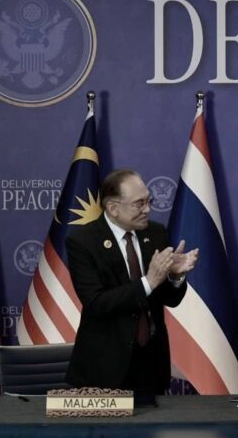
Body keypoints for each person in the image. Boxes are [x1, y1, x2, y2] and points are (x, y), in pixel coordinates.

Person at [66, 169, 198, 396]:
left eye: (148, 201)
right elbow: (96, 303)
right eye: (139, 204)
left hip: (151, 364)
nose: (147, 209)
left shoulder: (155, 233)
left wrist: (174, 276)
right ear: (113, 208)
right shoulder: (83, 241)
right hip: (105, 367)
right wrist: (149, 281)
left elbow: (169, 299)